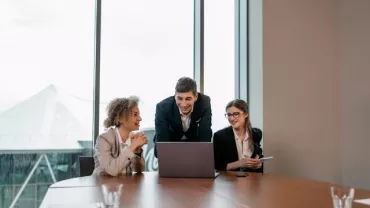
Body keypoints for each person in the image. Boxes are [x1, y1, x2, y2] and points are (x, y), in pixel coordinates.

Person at [153, 77, 212, 157]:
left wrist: (202, 155)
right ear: (175, 96)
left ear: (196, 96)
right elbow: (162, 140)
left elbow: (205, 133)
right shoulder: (163, 107)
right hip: (171, 141)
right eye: (179, 98)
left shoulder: (204, 102)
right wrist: (164, 155)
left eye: (188, 99)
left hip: (194, 142)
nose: (184, 104)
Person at [93, 96, 147, 176]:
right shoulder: (103, 139)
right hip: (103, 186)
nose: (140, 118)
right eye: (135, 114)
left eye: (139, 114)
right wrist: (133, 146)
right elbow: (112, 170)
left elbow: (139, 169)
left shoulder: (132, 138)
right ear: (120, 118)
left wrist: (137, 151)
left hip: (126, 186)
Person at [213, 99, 263, 172]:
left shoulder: (256, 133)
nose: (232, 118)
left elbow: (258, 156)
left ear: (246, 114)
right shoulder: (220, 136)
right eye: (229, 115)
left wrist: (258, 164)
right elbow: (218, 165)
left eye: (236, 114)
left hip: (252, 179)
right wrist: (240, 163)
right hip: (230, 181)